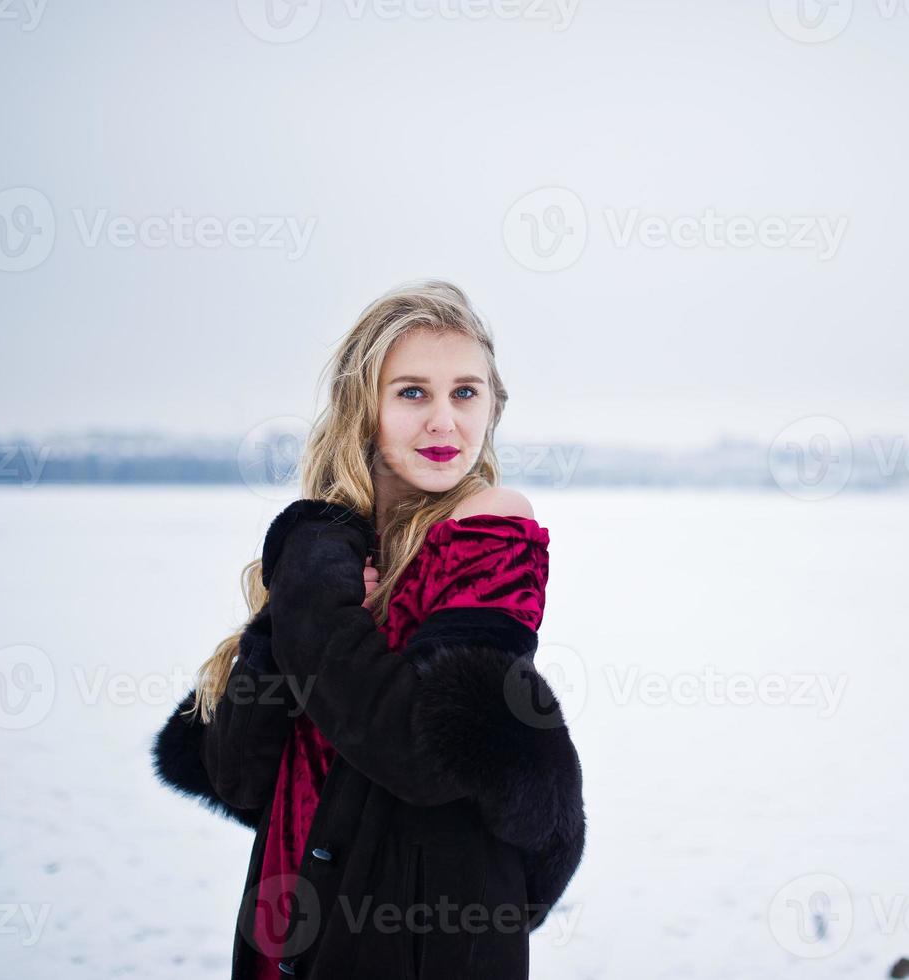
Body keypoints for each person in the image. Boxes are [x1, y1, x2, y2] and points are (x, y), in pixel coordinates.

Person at [150, 280, 586, 979]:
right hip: (288, 927)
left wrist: (313, 591)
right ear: (365, 408)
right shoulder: (335, 551)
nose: (444, 421)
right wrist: (310, 569)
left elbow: (416, 747)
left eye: (465, 392)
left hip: (426, 936)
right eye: (412, 392)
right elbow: (238, 777)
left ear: (493, 407)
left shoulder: (491, 525)